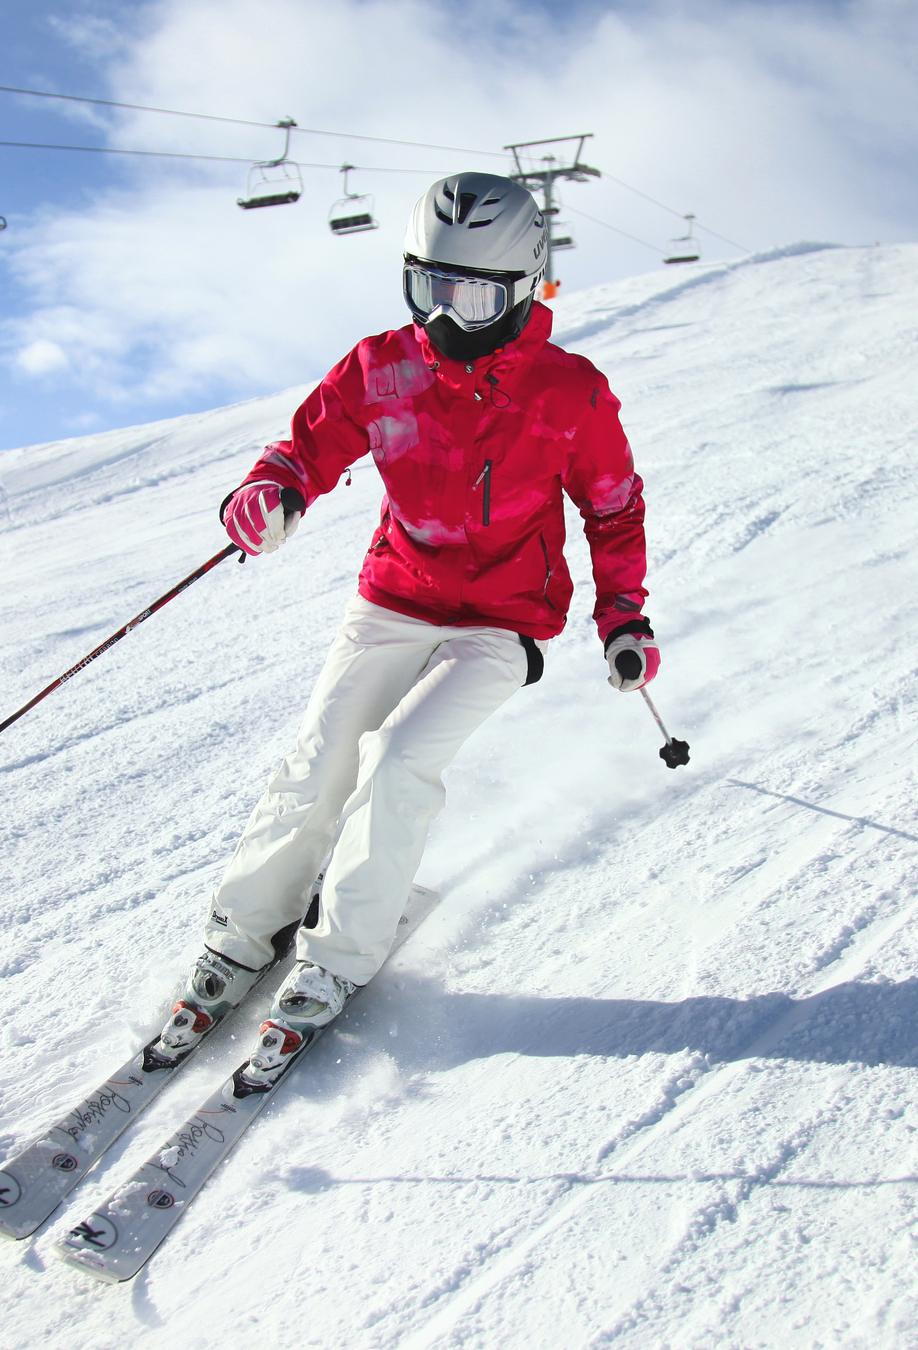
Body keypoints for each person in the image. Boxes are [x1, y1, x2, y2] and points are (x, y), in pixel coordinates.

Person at [146, 172, 656, 1090]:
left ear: (528, 283)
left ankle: (337, 954)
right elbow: (307, 444)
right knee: (322, 754)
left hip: (504, 619)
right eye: (431, 290)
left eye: (475, 295)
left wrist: (624, 614)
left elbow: (613, 508)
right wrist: (272, 488)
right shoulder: (385, 364)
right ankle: (241, 934)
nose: (449, 320)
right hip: (397, 594)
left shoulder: (568, 392)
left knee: (399, 760)